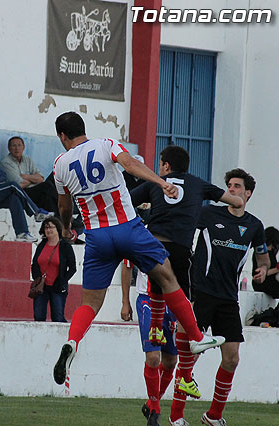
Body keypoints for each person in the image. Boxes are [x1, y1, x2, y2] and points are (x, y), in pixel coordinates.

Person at [50, 111, 224, 390]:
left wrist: (68, 227)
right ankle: (195, 336)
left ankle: (72, 342)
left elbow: (64, 207)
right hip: (128, 229)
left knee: (90, 303)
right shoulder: (106, 144)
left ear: (62, 136)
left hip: (96, 236)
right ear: (83, 129)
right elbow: (129, 165)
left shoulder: (60, 164)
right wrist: (160, 182)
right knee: (167, 276)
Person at [129, 145, 243, 422]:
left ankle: (156, 331)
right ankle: (187, 370)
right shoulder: (197, 184)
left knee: (157, 287)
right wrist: (228, 200)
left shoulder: (154, 183)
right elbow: (235, 201)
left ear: (166, 166)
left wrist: (147, 205)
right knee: (182, 300)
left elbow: (127, 200)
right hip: (180, 249)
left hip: (154, 245)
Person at [182, 168, 269, 426]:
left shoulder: (254, 226)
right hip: (202, 294)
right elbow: (185, 227)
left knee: (231, 359)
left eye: (237, 186)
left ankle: (214, 416)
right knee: (190, 356)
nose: (231, 189)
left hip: (229, 299)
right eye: (229, 185)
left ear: (248, 193)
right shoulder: (208, 213)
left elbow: (262, 257)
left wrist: (262, 269)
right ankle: (175, 415)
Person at [121, 260, 178, 426]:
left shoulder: (177, 234)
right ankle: (155, 410)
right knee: (153, 357)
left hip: (171, 299)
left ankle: (150, 404)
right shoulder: (138, 233)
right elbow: (127, 267)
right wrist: (125, 302)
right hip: (147, 300)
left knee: (171, 361)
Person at [0, 131, 51, 243]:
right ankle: (36, 212)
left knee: (14, 199)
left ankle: (22, 233)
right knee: (13, 185)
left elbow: (2, 176)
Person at [31, 217, 76, 322]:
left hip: (58, 287)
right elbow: (35, 264)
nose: (48, 230)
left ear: (57, 229)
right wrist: (37, 278)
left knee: (58, 317)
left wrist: (62, 281)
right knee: (38, 316)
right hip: (41, 287)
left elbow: (73, 268)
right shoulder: (42, 245)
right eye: (46, 228)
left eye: (51, 227)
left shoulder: (65, 246)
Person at [252, 226, 279, 298]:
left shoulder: (272, 254)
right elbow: (258, 274)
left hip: (271, 282)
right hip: (262, 283)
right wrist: (277, 269)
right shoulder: (261, 254)